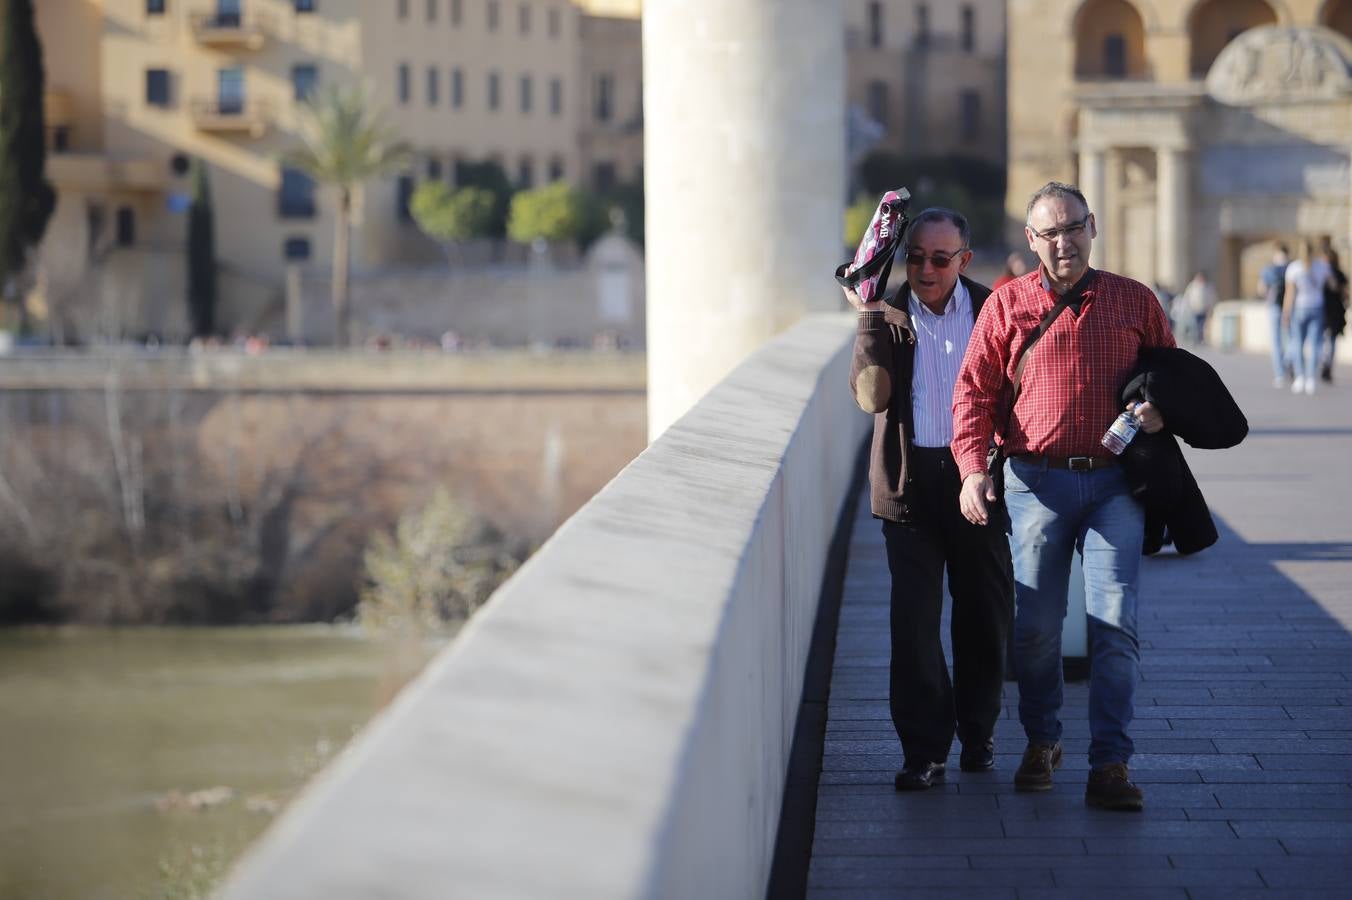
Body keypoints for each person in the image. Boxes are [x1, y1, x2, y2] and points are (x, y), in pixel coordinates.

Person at [951, 182, 1174, 812]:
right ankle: (1043, 740)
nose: (1062, 241)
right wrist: (972, 469)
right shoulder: (1007, 305)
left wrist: (1161, 409)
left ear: (1092, 227)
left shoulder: (1134, 299)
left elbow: (1173, 374)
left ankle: (1110, 763)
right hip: (1034, 483)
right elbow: (972, 391)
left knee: (1115, 628)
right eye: (1049, 232)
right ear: (1031, 240)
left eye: (1072, 227)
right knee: (1037, 631)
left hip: (1114, 485)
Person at [845, 207, 1015, 792]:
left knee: (984, 617)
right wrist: (868, 317)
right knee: (914, 625)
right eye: (915, 255)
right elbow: (872, 398)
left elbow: (1018, 393)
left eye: (940, 258)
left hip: (979, 481)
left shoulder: (995, 308)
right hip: (909, 483)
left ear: (963, 260)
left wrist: (997, 468)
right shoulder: (886, 312)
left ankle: (979, 734)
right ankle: (924, 751)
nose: (924, 268)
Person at [1284, 240, 1332, 395]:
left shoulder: (1294, 268)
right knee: (1315, 344)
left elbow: (1290, 294)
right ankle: (1311, 378)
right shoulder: (1321, 266)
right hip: (1317, 307)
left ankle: (1300, 377)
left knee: (1298, 343)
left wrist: (1285, 313)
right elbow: (1333, 284)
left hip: (1299, 308)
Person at [1258, 244, 1292, 388]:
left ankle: (1280, 374)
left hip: (1274, 308)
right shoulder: (1292, 267)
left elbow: (1261, 289)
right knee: (1292, 339)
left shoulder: (1268, 269)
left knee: (1276, 341)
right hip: (1291, 308)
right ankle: (1288, 362)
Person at [1320, 248, 1348, 384]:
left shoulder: (1323, 274)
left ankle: (1325, 364)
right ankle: (1327, 365)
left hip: (1326, 311)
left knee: (1324, 340)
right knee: (1330, 341)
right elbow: (1345, 295)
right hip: (1333, 311)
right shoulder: (1339, 274)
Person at [1179, 271, 1217, 347]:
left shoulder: (1208, 286)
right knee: (1195, 325)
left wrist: (1211, 307)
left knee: (1201, 326)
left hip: (1204, 310)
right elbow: (1187, 297)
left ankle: (1200, 339)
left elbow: (1212, 298)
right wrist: (1187, 308)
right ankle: (1194, 340)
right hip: (1194, 309)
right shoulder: (1192, 286)